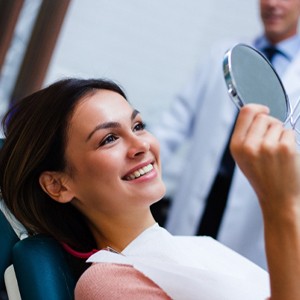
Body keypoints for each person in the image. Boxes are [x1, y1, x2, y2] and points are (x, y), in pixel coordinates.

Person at [0, 78, 300, 299]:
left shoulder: (201, 248)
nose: (140, 145)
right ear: (57, 184)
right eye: (108, 139)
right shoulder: (108, 285)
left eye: (139, 126)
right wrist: (279, 203)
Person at [150, 0, 300, 270]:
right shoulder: (221, 53)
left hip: (251, 229)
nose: (273, 4)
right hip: (196, 209)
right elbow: (173, 125)